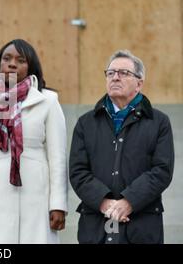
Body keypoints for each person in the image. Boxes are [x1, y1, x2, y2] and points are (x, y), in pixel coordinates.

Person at [0, 39, 68, 243]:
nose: (12, 64)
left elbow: (58, 158)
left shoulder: (48, 101)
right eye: (7, 58)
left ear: (31, 67)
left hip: (37, 198)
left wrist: (58, 205)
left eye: (21, 60)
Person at [69, 50, 174, 244]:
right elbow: (78, 171)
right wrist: (103, 202)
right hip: (96, 226)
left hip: (141, 227)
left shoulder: (159, 122)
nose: (115, 77)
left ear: (139, 83)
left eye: (123, 73)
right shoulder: (86, 123)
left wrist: (129, 202)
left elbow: (162, 170)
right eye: (110, 73)